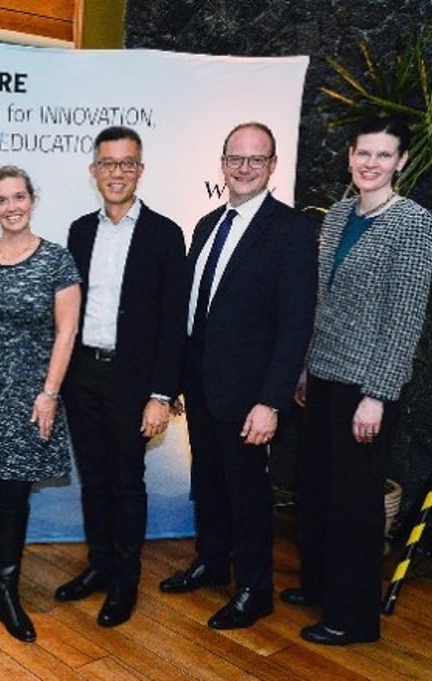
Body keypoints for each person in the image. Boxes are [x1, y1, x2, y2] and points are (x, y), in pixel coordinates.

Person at [285, 118, 432, 645]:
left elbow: (404, 318)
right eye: (363, 153)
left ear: (402, 162)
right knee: (318, 489)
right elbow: (321, 302)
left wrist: (377, 396)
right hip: (324, 374)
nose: (371, 163)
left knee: (354, 503)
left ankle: (352, 618)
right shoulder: (337, 216)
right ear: (350, 157)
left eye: (384, 155)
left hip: (367, 387)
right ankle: (322, 586)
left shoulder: (414, 225)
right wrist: (305, 366)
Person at [159, 122, 317, 630]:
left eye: (256, 159)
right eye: (235, 159)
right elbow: (194, 311)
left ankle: (255, 589)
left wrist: (270, 401)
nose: (244, 168)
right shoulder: (206, 224)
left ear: (272, 166)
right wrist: (181, 379)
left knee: (247, 492)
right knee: (207, 480)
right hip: (203, 385)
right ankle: (212, 561)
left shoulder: (291, 231)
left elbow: (296, 324)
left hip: (251, 395)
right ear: (222, 163)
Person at [56, 126, 189, 627]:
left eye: (126, 163)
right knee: (93, 479)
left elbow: (174, 322)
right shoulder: (79, 231)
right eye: (107, 163)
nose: (117, 172)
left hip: (135, 382)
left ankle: (125, 584)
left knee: (126, 482)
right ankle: (100, 567)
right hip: (83, 374)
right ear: (94, 172)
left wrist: (161, 393)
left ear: (140, 171)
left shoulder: (164, 234)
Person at [0, 166, 81, 642]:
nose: (12, 207)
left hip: (31, 394)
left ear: (33, 200)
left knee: (15, 488)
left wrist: (49, 394)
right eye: (2, 200)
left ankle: (6, 586)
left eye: (19, 197)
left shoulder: (56, 260)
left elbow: (67, 331)